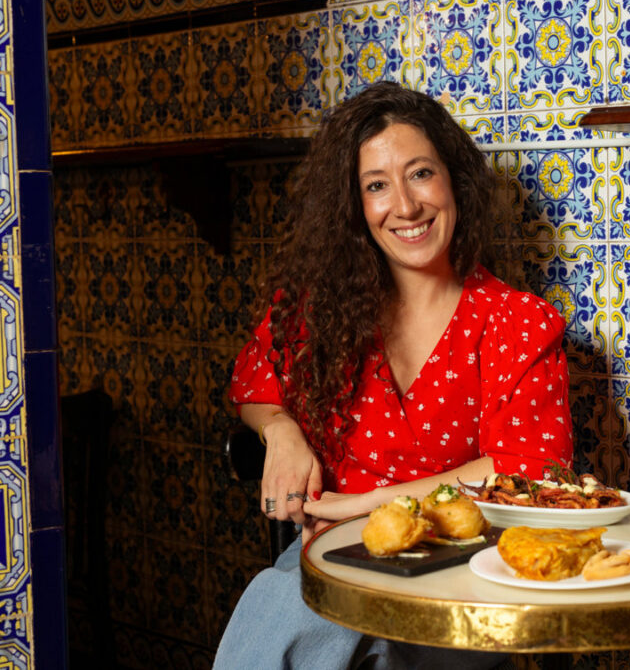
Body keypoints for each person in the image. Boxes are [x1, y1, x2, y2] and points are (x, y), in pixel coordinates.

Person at [214, 81, 574, 669]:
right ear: (355, 208)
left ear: (453, 179)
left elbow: (528, 469)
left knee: (302, 610)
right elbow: (252, 381)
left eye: (421, 174)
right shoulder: (319, 306)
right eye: (377, 186)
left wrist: (372, 506)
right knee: (298, 602)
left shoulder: (518, 321)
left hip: (462, 575)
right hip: (330, 559)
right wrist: (280, 432)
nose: (405, 206)